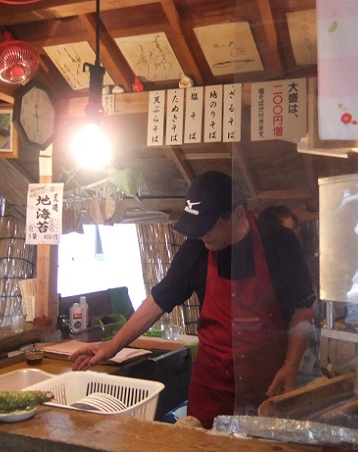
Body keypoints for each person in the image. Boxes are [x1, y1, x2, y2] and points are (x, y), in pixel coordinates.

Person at [70, 171, 316, 428]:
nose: (200, 235)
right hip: (211, 386)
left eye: (207, 226)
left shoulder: (278, 242)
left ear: (238, 215)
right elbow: (158, 302)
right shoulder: (197, 248)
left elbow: (303, 308)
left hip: (265, 386)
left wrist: (291, 366)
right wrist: (111, 346)